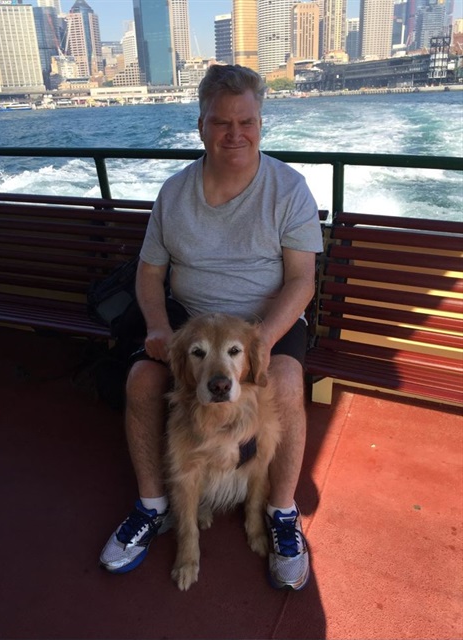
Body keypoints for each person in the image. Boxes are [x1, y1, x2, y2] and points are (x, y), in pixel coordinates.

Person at [100, 64, 323, 591]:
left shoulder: (289, 189)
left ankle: (282, 513)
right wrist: (157, 326)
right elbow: (150, 272)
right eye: (221, 122)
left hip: (263, 321)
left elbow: (301, 282)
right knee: (141, 382)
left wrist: (260, 343)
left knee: (285, 386)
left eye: (246, 121)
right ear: (200, 125)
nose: (234, 134)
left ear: (261, 122)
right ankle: (154, 505)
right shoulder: (174, 194)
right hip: (191, 321)